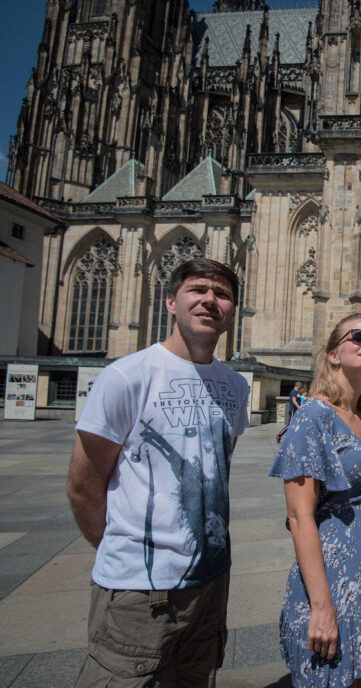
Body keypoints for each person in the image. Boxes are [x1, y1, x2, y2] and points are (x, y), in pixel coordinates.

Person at [67, 258, 250, 685]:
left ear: (233, 310)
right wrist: (124, 546)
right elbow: (83, 486)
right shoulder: (125, 377)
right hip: (139, 589)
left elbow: (217, 469)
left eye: (222, 294)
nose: (209, 300)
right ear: (170, 301)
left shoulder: (236, 387)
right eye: (197, 290)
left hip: (210, 580)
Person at [270, 314, 361, 687]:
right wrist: (322, 607)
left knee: (360, 680)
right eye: (358, 336)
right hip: (334, 578)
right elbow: (299, 516)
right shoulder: (314, 416)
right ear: (332, 355)